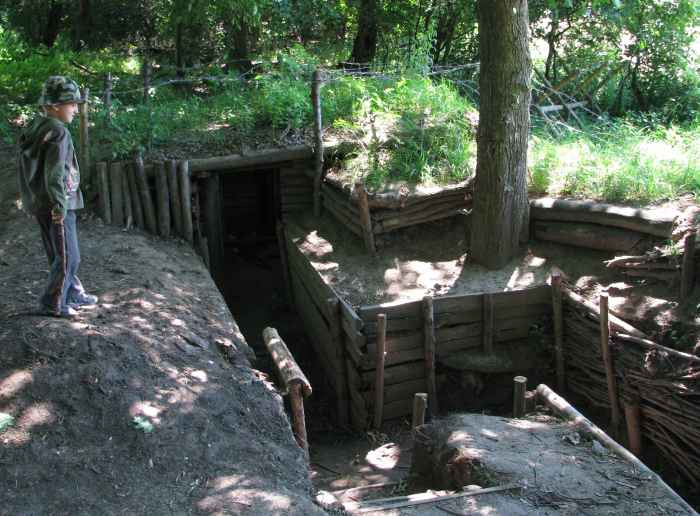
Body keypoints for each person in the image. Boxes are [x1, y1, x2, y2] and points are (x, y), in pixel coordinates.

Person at [18, 76, 98, 318]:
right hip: (57, 204)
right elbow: (56, 172)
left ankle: (72, 292)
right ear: (54, 106)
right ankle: (53, 302)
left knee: (57, 253)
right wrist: (59, 204)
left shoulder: (35, 126)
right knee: (69, 256)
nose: (76, 109)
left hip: (40, 202)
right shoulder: (58, 131)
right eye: (71, 103)